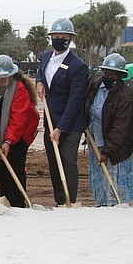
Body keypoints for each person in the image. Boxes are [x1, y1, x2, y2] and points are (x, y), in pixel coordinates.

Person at [35, 18, 88, 206]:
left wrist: (60, 128)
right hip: (50, 119)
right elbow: (41, 72)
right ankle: (59, 200)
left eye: (62, 37)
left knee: (67, 161)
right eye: (55, 36)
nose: (58, 39)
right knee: (53, 161)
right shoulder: (45, 56)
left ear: (70, 39)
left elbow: (75, 101)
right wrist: (39, 82)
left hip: (70, 123)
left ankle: (69, 200)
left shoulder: (78, 66)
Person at [84, 53, 133, 206]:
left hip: (117, 145)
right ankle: (102, 202)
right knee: (99, 174)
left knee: (114, 174)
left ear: (121, 76)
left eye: (113, 74)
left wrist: (107, 151)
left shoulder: (126, 97)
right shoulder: (95, 83)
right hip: (95, 137)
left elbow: (120, 129)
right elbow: (86, 103)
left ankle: (118, 203)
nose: (109, 76)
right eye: (106, 73)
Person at [0, 55, 40, 208]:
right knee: (0, 168)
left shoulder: (19, 89)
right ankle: (4, 201)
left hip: (20, 135)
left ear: (12, 74)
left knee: (15, 169)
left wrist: (9, 141)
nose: (2, 80)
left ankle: (17, 203)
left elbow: (18, 119)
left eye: (5, 77)